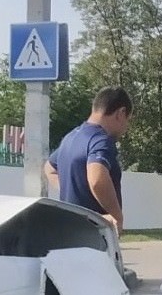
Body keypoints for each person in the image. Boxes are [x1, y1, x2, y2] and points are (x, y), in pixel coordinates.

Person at [45, 86, 132, 233]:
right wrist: (117, 217)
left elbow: (50, 168)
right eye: (128, 120)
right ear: (121, 113)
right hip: (92, 233)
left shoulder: (71, 137)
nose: (126, 127)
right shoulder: (100, 140)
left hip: (67, 229)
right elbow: (97, 179)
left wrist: (73, 192)